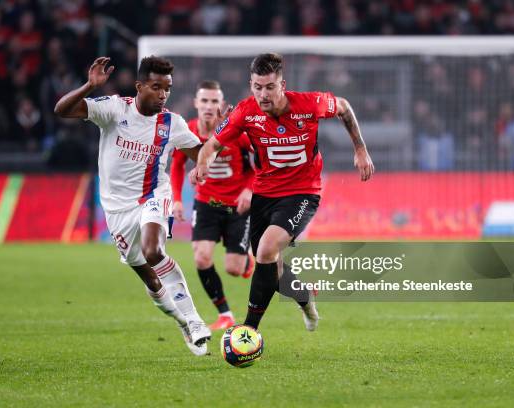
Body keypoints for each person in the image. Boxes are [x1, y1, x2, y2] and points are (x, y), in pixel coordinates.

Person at [193, 53, 375, 331]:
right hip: (264, 195)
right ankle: (304, 298)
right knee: (272, 269)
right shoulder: (245, 112)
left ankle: (248, 330)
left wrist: (360, 149)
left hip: (303, 192)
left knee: (266, 250)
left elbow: (344, 107)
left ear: (282, 84)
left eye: (269, 87)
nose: (263, 94)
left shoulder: (310, 103)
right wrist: (203, 164)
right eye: (257, 86)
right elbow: (212, 145)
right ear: (250, 84)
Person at [54, 56, 212, 355]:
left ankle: (195, 319)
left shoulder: (171, 123)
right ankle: (182, 323)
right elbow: (62, 110)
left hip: (153, 194)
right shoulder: (115, 109)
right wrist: (90, 85)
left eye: (167, 88)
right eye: (156, 87)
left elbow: (200, 153)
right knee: (149, 277)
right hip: (116, 209)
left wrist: (203, 163)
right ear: (140, 86)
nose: (163, 94)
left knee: (154, 251)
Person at [170, 80, 254, 330]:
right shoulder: (188, 133)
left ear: (222, 104)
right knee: (202, 257)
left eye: (214, 101)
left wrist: (250, 189)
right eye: (204, 100)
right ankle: (225, 314)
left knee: (234, 269)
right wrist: (176, 199)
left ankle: (252, 258)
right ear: (196, 103)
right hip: (206, 203)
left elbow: (259, 161)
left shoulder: (235, 132)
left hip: (238, 205)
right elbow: (176, 166)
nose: (208, 106)